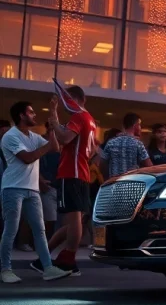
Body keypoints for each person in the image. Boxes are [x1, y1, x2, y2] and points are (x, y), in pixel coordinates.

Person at [1, 102, 71, 283]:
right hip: (13, 188)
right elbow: (28, 158)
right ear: (21, 115)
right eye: (31, 112)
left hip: (32, 189)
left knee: (40, 230)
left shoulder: (33, 136)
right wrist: (47, 145)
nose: (34, 115)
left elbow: (55, 148)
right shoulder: (10, 136)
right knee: (11, 230)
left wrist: (52, 129)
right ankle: (5, 269)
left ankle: (48, 268)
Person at [45, 86, 97, 275]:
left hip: (71, 172)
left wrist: (53, 116)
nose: (63, 104)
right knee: (74, 222)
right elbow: (92, 150)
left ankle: (68, 259)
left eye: (64, 100)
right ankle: (45, 256)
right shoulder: (90, 119)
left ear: (73, 98)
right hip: (81, 172)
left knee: (74, 221)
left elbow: (65, 138)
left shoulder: (78, 117)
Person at [99, 113, 152, 179]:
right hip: (132, 182)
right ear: (135, 126)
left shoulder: (111, 143)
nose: (140, 128)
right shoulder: (138, 144)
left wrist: (109, 178)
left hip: (114, 182)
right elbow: (149, 166)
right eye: (140, 125)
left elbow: (102, 166)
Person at [38, 121, 60, 239]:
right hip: (47, 186)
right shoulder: (40, 142)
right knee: (48, 220)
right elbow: (34, 163)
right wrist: (40, 180)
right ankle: (42, 244)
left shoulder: (60, 143)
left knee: (56, 221)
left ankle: (49, 244)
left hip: (58, 186)